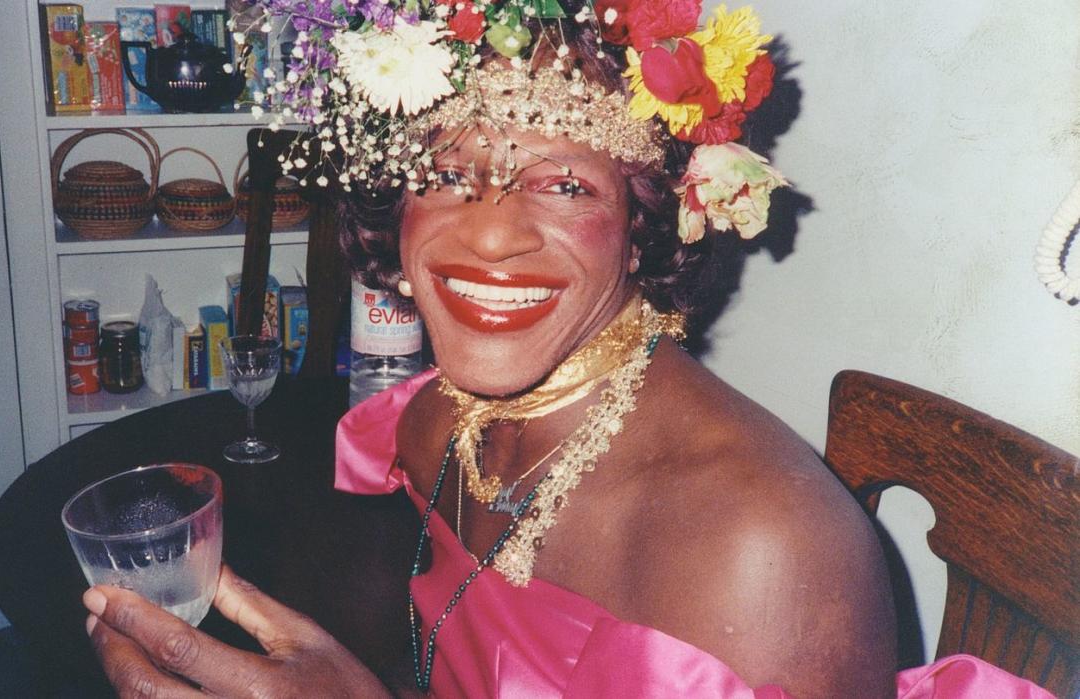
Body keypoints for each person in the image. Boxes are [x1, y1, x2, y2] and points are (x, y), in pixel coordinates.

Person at [81, 1, 1057, 696]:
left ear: (644, 227)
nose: (490, 235)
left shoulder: (760, 555)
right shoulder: (435, 420)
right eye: (448, 174)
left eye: (565, 185)